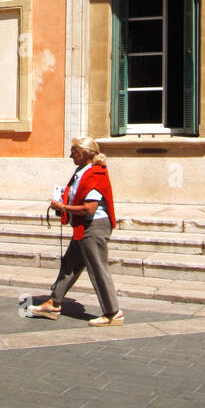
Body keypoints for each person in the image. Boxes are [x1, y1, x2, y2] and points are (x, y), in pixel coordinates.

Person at [29, 137, 124, 326]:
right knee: (70, 265)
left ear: (86, 153)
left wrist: (63, 207)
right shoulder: (81, 172)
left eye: (74, 151)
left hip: (93, 227)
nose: (70, 154)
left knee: (97, 268)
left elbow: (89, 208)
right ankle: (53, 303)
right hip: (83, 227)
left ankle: (113, 313)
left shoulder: (95, 174)